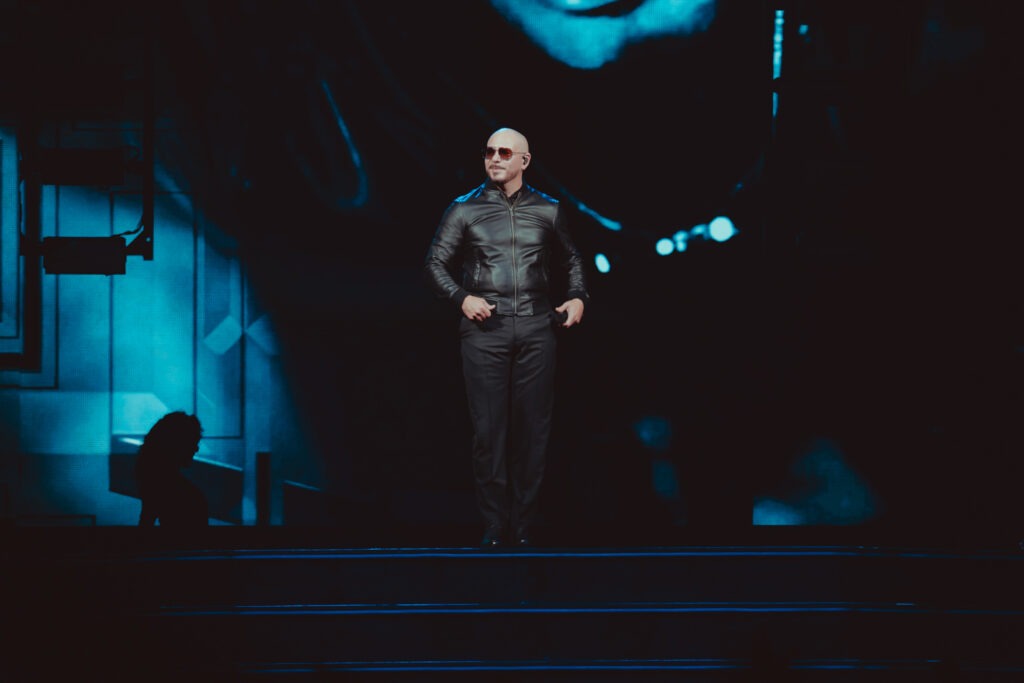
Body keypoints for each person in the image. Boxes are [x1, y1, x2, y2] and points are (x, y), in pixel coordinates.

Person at [424, 127, 588, 547]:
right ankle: (496, 526)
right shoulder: (464, 209)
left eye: (503, 152)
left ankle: (525, 527)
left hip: (537, 326)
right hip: (485, 330)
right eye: (489, 152)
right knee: (489, 432)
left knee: (533, 431)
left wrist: (577, 297)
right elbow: (435, 263)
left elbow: (572, 260)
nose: (494, 158)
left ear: (524, 161)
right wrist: (462, 298)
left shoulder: (548, 209)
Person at [135, 411, 208, 528]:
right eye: (192, 442)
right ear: (176, 445)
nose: (196, 448)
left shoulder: (154, 484)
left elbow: (146, 519)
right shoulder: (182, 493)